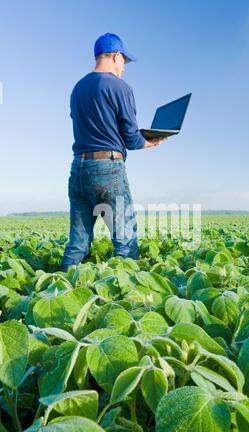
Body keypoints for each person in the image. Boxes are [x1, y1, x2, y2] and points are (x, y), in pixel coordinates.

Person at [60, 32, 168, 272]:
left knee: (78, 243)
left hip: (79, 168)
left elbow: (89, 124)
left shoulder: (77, 88)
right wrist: (150, 142)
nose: (124, 68)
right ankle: (128, 300)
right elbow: (130, 137)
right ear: (116, 56)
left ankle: (58, 288)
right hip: (108, 169)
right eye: (124, 62)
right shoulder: (120, 87)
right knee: (125, 241)